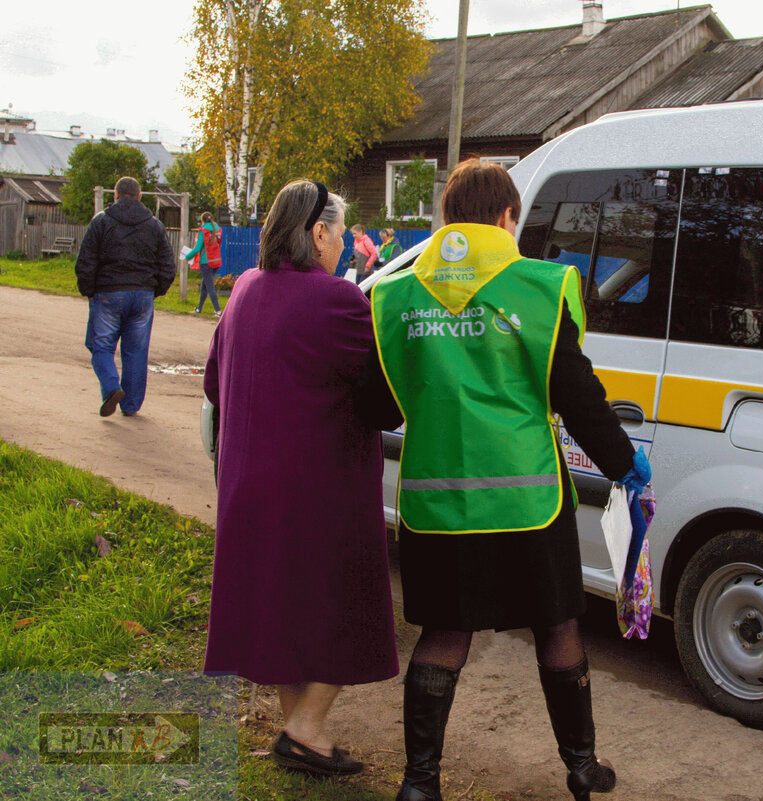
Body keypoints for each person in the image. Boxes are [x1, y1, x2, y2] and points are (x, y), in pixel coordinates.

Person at [372, 159, 651, 801]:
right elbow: (576, 394)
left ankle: (419, 785)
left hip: (437, 506)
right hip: (529, 500)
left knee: (444, 633)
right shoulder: (539, 288)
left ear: (445, 221)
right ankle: (582, 769)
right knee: (556, 627)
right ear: (507, 219)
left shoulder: (395, 296)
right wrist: (623, 464)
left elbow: (380, 407)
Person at [203, 179, 402, 778]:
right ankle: (307, 724)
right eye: (340, 232)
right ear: (318, 233)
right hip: (319, 490)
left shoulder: (243, 290)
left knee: (284, 611)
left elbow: (215, 383)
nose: (343, 244)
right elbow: (386, 405)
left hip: (247, 486)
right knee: (350, 603)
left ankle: (303, 733)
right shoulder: (336, 300)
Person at [75, 176, 175, 417]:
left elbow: (86, 261)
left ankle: (111, 387)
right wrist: (154, 290)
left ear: (116, 195)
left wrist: (89, 291)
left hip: (108, 292)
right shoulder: (154, 225)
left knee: (100, 345)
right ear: (140, 196)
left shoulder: (101, 221)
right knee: (136, 351)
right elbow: (168, 266)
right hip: (143, 296)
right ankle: (130, 405)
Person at [183, 211, 223, 316]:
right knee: (204, 286)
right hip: (216, 261)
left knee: (210, 287)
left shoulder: (203, 231)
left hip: (206, 262)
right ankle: (199, 308)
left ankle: (218, 310)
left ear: (202, 220)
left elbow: (197, 249)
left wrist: (186, 257)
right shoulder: (217, 230)